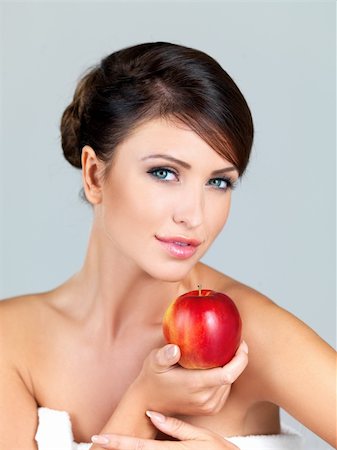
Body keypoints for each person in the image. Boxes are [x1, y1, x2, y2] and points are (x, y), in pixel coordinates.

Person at [0, 42, 335, 450]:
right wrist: (145, 400)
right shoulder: (12, 340)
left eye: (219, 182)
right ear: (94, 175)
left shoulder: (251, 339)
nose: (194, 215)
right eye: (164, 172)